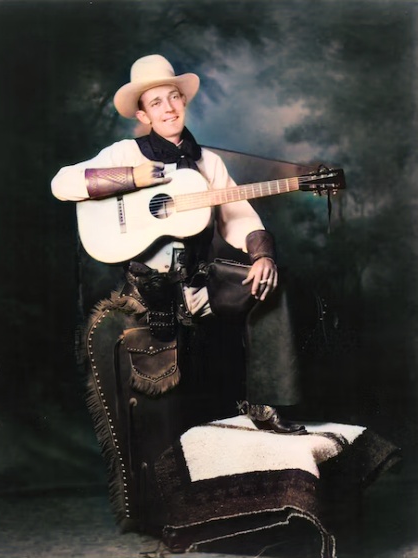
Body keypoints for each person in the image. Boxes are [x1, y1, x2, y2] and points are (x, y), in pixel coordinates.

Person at [51, 54, 305, 533]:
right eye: (156, 102)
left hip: (199, 279)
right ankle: (163, 507)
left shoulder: (208, 161)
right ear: (142, 115)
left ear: (183, 103)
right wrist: (138, 179)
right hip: (147, 289)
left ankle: (271, 404)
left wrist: (263, 254)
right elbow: (63, 184)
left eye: (174, 98)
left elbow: (242, 217)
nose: (168, 108)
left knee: (271, 283)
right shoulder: (123, 154)